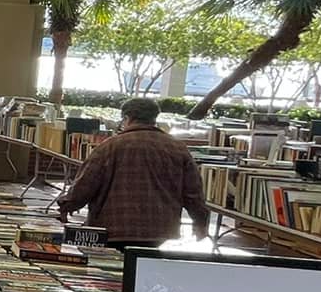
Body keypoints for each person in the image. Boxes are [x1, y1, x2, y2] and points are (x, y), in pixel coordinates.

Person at [57, 96, 209, 247]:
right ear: (154, 118)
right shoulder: (177, 148)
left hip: (113, 225)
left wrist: (67, 206)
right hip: (160, 229)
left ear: (127, 118)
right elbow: (193, 191)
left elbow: (87, 183)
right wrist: (200, 222)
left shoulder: (109, 146)